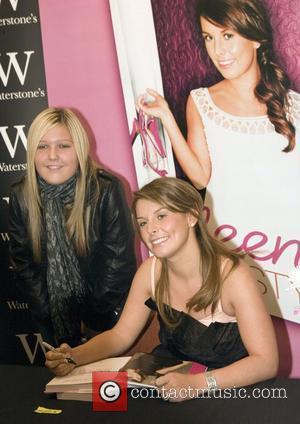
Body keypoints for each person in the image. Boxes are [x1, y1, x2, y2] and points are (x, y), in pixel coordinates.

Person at [45, 177, 278, 402]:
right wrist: (73, 356)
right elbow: (120, 336)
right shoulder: (151, 271)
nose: (151, 230)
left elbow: (265, 362)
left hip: (227, 393)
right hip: (168, 389)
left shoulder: (233, 276)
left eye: (162, 216)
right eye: (143, 223)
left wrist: (197, 384)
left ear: (192, 216)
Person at [137, 0, 300, 320]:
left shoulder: (294, 105)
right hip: (233, 248)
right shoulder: (201, 101)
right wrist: (167, 119)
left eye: (227, 36)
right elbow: (199, 178)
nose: (218, 50)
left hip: (288, 250)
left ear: (255, 38)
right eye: (208, 38)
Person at [9, 107, 136, 347]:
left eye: (63, 146)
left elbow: (118, 265)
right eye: (42, 146)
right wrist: (51, 314)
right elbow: (23, 264)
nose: (52, 155)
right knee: (63, 384)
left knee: (105, 386)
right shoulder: (21, 195)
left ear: (79, 149)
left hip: (104, 325)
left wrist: (91, 322)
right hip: (53, 326)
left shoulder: (105, 189)